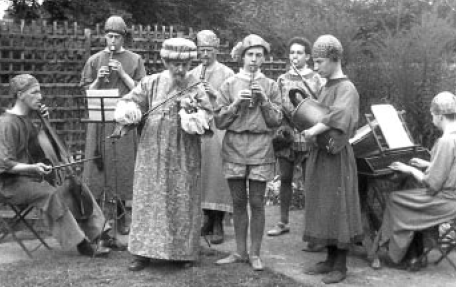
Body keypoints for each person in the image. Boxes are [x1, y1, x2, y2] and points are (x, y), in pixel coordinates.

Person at [112, 38, 213, 271]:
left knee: (182, 195)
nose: (180, 69)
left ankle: (183, 252)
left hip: (184, 150)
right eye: (175, 64)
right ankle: (143, 252)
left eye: (185, 64)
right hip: (152, 149)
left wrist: (194, 116)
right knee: (150, 195)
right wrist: (132, 112)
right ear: (166, 61)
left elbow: (208, 116)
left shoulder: (196, 85)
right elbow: (129, 101)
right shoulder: (151, 82)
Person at [0, 74, 110, 257]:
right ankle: (81, 243)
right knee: (50, 194)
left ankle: (100, 232)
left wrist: (45, 122)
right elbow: (5, 163)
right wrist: (33, 168)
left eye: (39, 92)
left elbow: (40, 147)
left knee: (75, 184)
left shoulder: (28, 119)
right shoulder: (6, 124)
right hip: (10, 184)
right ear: (20, 95)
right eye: (34, 92)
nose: (40, 97)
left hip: (32, 177)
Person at [214, 34, 282, 271]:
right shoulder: (229, 84)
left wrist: (263, 100)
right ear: (242, 57)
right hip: (234, 145)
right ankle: (239, 252)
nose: (254, 59)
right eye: (250, 55)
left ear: (264, 58)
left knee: (257, 202)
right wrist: (235, 105)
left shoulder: (271, 85)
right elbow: (219, 122)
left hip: (261, 147)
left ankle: (255, 254)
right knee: (238, 202)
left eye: (258, 55)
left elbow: (275, 121)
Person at [301, 35, 363, 284]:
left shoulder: (347, 88)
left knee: (339, 207)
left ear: (335, 59)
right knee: (323, 205)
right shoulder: (325, 86)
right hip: (321, 155)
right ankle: (329, 259)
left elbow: (341, 116)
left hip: (336, 158)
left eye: (319, 61)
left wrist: (312, 130)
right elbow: (316, 111)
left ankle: (341, 265)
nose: (316, 67)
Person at [80, 15, 146, 236]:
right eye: (109, 36)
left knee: (122, 169)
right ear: (105, 36)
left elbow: (142, 91)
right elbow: (87, 93)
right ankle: (101, 222)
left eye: (117, 37)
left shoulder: (135, 59)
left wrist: (123, 74)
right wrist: (99, 78)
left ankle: (121, 218)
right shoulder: (95, 60)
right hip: (100, 123)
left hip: (123, 123)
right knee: (101, 170)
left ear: (123, 37)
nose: (113, 41)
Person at [378, 91, 456, 271]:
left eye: (433, 116)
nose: (432, 120)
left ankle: (402, 256)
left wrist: (410, 169)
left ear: (441, 116)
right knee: (409, 200)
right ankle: (415, 253)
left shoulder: (446, 141)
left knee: (395, 199)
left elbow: (432, 184)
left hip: (446, 201)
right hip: (451, 198)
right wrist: (429, 163)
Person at [267, 36, 325, 252]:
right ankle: (283, 221)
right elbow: (279, 106)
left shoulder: (317, 78)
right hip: (289, 135)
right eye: (292, 52)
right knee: (285, 178)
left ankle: (313, 230)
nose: (295, 56)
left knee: (311, 182)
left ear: (308, 56)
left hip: (309, 136)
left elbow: (321, 107)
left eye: (299, 53)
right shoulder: (282, 79)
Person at [189, 30, 235, 245]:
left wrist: (214, 93)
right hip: (199, 126)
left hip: (219, 127)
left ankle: (218, 221)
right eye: (201, 50)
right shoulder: (193, 73)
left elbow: (233, 104)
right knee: (201, 172)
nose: (204, 55)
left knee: (216, 174)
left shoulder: (227, 73)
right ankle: (206, 218)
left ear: (216, 50)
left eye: (208, 50)